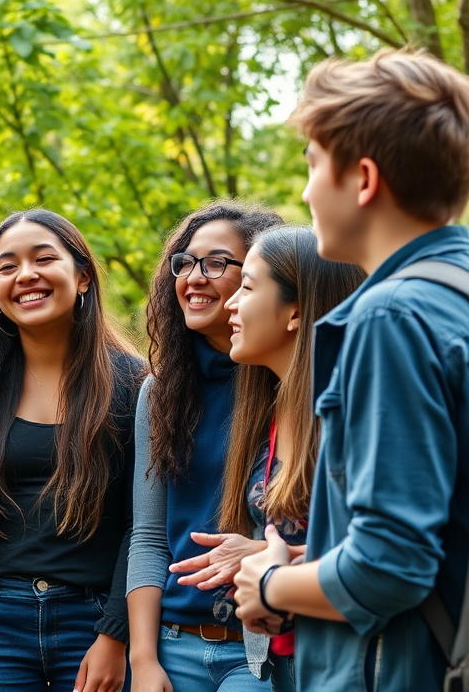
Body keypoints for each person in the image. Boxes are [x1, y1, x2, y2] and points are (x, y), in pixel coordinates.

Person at [234, 49, 469, 692]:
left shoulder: (391, 317)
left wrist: (272, 584)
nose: (306, 191)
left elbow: (392, 567)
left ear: (363, 179)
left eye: (312, 165)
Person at [0, 209, 145, 692]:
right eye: (7, 266)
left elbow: (142, 523)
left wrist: (116, 634)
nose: (26, 275)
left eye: (44, 259)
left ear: (82, 276)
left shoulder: (132, 384)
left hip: (95, 618)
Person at [169, 225, 363, 691]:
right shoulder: (277, 411)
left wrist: (264, 564)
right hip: (292, 660)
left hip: (353, 662)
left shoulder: (354, 413)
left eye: (248, 287)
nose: (232, 302)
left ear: (295, 312)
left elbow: (392, 556)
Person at [126, 201, 282, 692]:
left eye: (216, 263)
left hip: (258, 651)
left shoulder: (290, 382)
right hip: (173, 644)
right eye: (185, 262)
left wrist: (260, 553)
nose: (194, 277)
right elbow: (149, 536)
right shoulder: (162, 390)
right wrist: (145, 659)